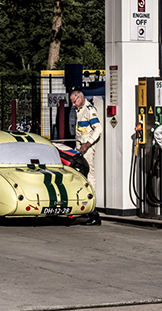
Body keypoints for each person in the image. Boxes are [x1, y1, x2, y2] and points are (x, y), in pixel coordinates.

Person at [70, 90, 103, 226]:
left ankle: (92, 210)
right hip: (81, 148)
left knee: (89, 176)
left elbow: (98, 128)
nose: (73, 104)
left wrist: (88, 143)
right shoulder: (80, 110)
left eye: (74, 101)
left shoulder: (89, 109)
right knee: (81, 175)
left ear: (80, 98)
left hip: (87, 149)